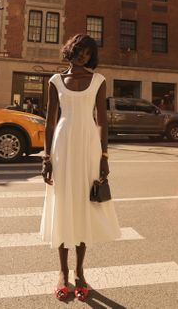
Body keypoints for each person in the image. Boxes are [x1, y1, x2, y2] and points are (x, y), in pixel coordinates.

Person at [40, 34, 121, 301]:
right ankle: (62, 271)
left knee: (85, 207)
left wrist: (104, 156)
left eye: (88, 53)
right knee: (64, 205)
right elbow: (50, 122)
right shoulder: (55, 81)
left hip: (88, 147)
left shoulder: (98, 80)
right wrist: (46, 158)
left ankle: (80, 271)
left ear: (91, 56)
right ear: (70, 50)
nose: (83, 56)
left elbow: (101, 121)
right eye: (79, 50)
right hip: (62, 146)